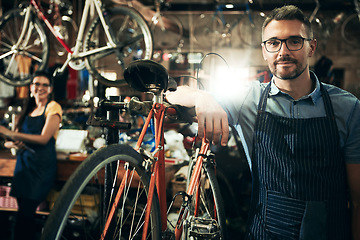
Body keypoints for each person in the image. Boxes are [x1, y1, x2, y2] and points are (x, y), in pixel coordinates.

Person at [166, 5, 360, 240]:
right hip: (265, 232)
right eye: (274, 43)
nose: (283, 51)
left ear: (312, 47)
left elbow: (358, 198)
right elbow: (171, 94)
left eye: (294, 41)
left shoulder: (347, 107)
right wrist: (201, 96)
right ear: (264, 50)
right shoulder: (248, 99)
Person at [0, 71, 62, 240]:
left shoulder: (53, 107)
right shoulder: (28, 109)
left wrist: (11, 134)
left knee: (26, 215)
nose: (40, 88)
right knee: (22, 214)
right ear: (30, 87)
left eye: (44, 84)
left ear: (50, 89)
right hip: (24, 166)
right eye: (36, 84)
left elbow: (43, 139)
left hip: (41, 168)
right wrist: (12, 141)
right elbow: (10, 141)